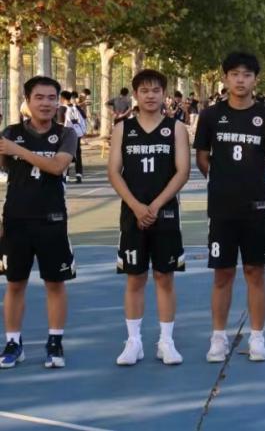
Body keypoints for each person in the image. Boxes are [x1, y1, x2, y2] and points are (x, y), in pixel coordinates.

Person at [194, 52, 265, 363]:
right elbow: (202, 158)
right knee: (223, 274)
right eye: (235, 74)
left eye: (246, 74)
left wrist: (255, 183)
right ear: (226, 78)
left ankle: (257, 338)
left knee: (255, 272)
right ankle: (218, 338)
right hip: (221, 208)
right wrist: (222, 181)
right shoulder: (210, 116)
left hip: (256, 207)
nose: (240, 80)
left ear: (255, 79)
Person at [107, 70, 191, 366]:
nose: (151, 95)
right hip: (132, 214)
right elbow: (114, 172)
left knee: (164, 277)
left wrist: (154, 206)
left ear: (164, 94)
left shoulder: (175, 128)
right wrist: (136, 206)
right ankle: (134, 342)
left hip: (165, 213)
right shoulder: (123, 129)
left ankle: (166, 341)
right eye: (144, 90)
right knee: (135, 277)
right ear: (135, 95)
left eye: (156, 90)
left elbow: (182, 171)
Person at [0, 76, 78, 370]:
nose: (46, 103)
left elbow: (57, 167)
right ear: (28, 101)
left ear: (58, 101)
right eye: (39, 97)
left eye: (51, 98)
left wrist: (17, 150)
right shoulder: (11, 133)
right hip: (16, 220)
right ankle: (13, 342)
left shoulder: (66, 134)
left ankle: (55, 341)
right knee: (14, 284)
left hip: (52, 220)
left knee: (55, 284)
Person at [60, 91, 86, 182]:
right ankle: (79, 174)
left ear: (62, 98)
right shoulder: (76, 107)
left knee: (65, 152)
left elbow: (60, 122)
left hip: (66, 133)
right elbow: (84, 117)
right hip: (77, 132)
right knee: (77, 152)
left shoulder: (62, 108)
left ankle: (66, 175)